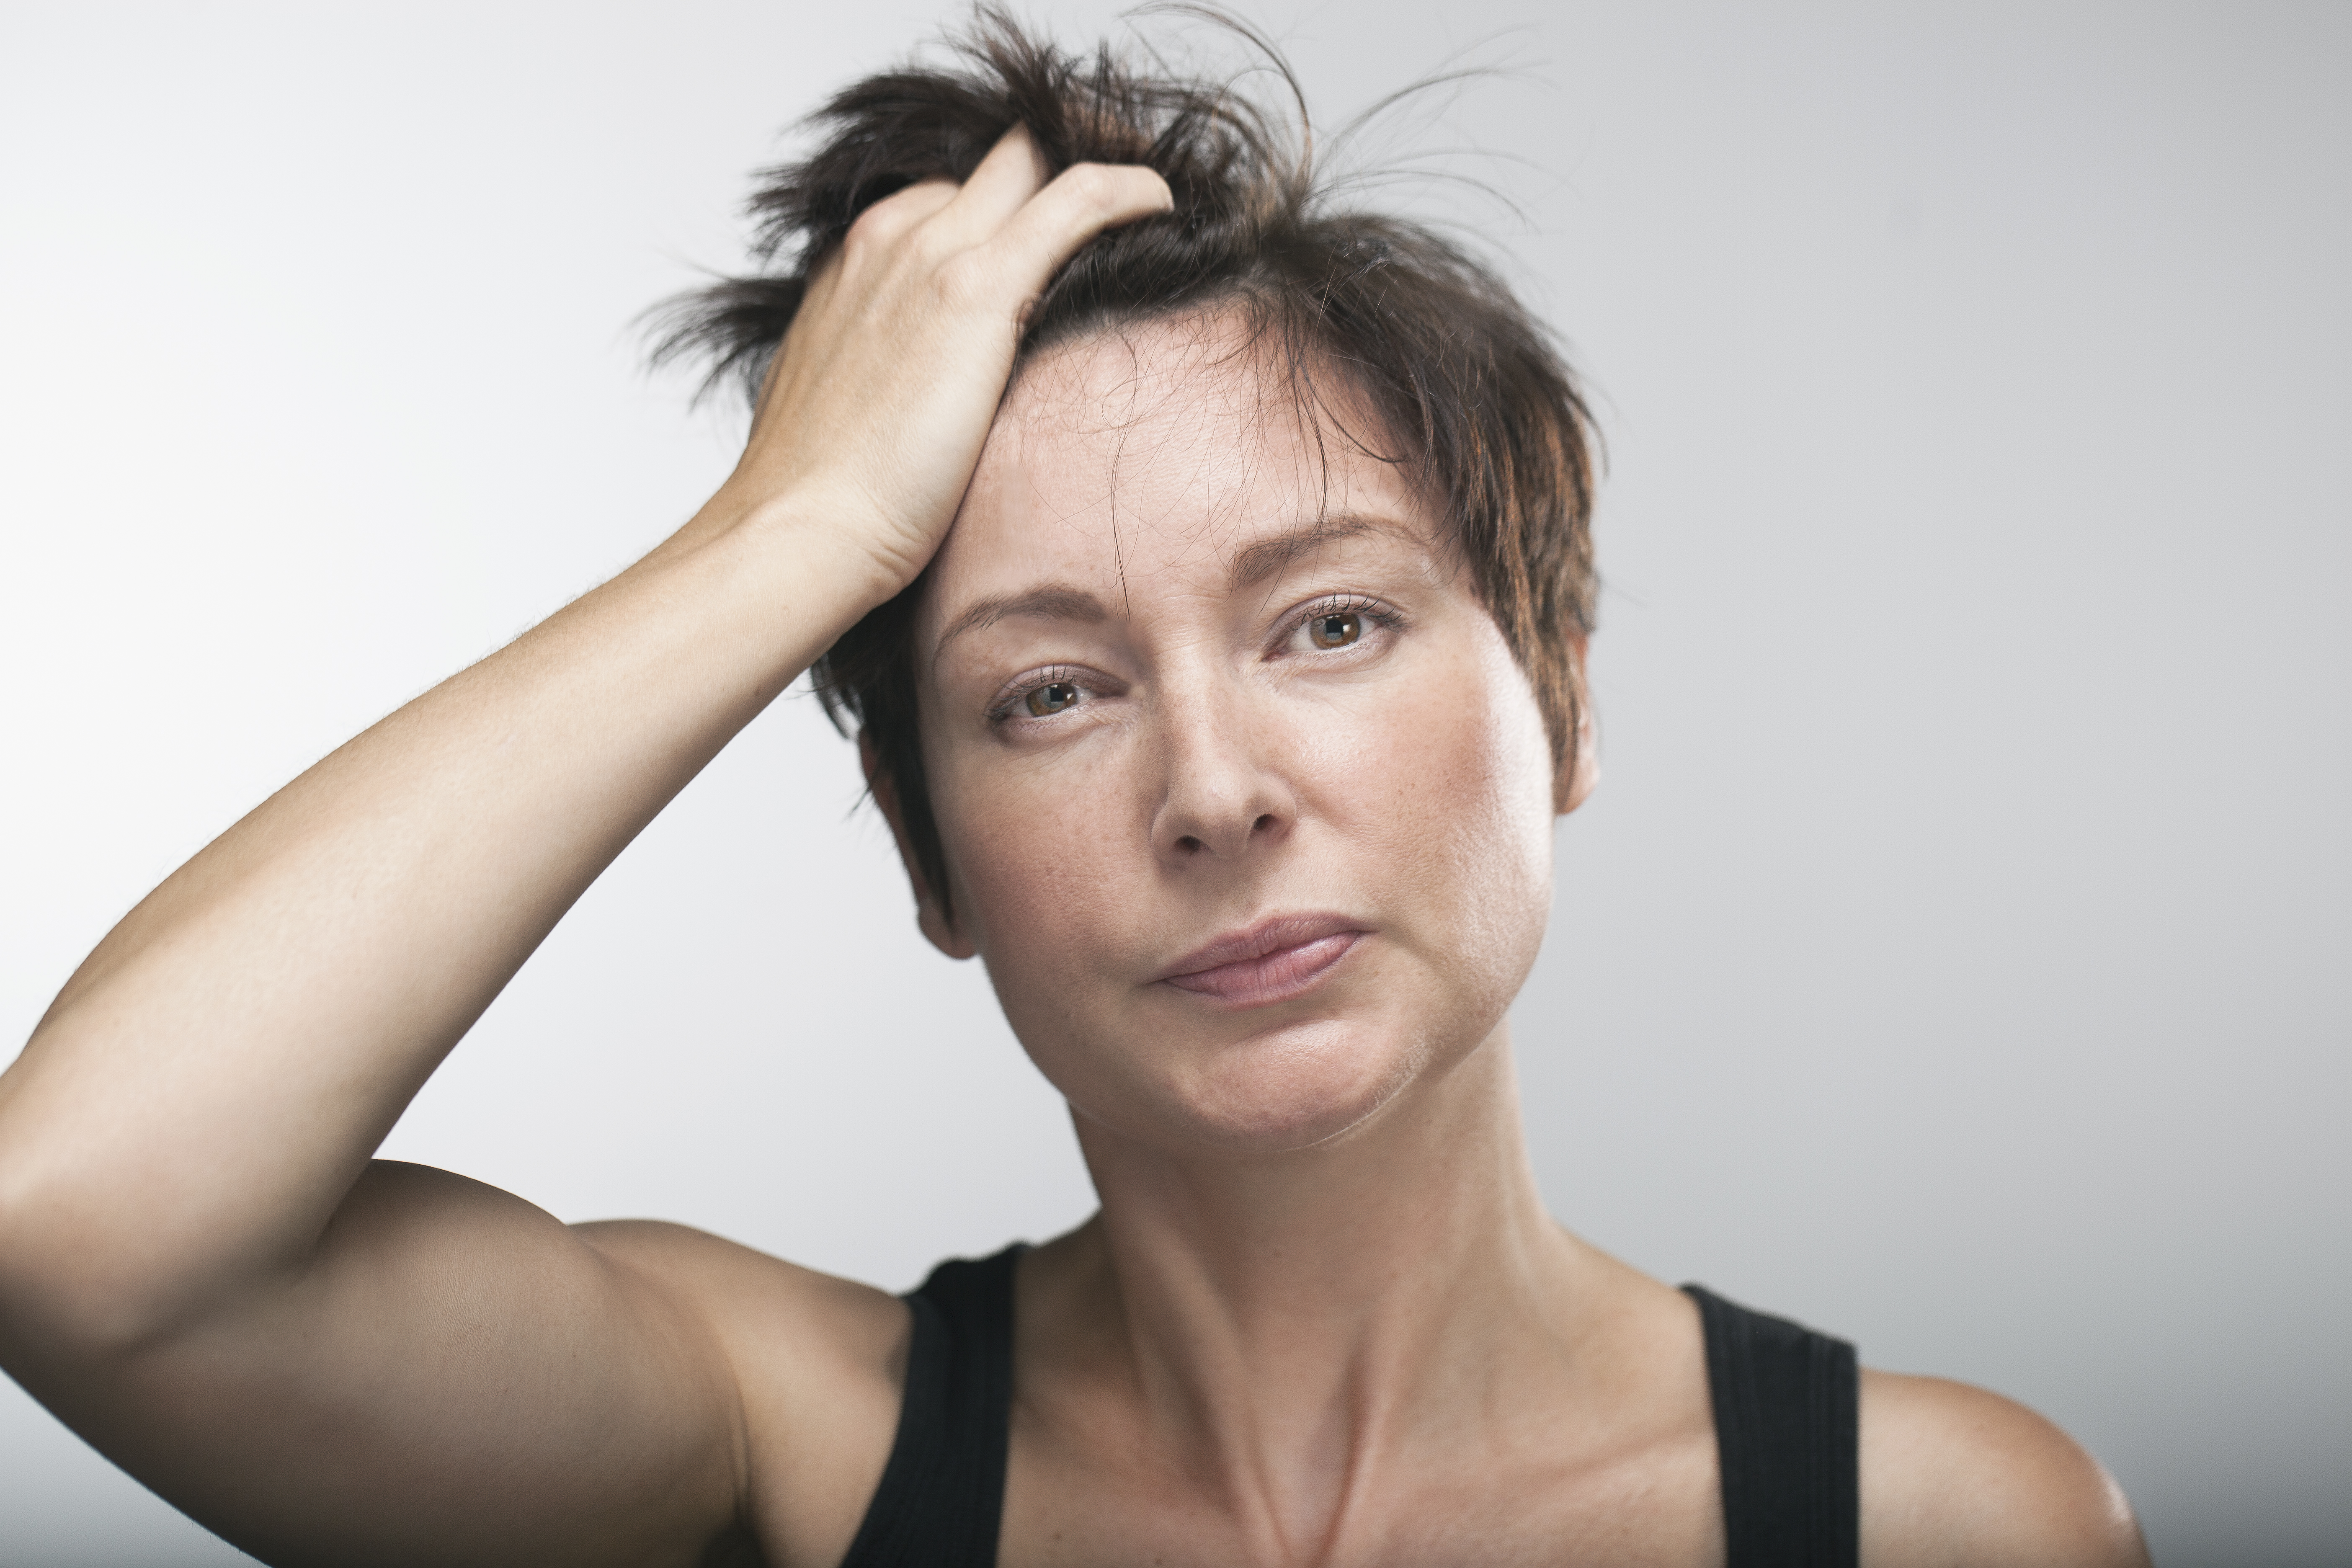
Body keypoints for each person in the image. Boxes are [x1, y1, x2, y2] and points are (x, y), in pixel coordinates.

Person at [0, 13, 2149, 1566]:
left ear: (1560, 701)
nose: (1215, 790)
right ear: (930, 854)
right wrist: (791, 533)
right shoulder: (782, 1451)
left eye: (1330, 624)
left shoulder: (1948, 1522)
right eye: (1048, 692)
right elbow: (87, 1230)